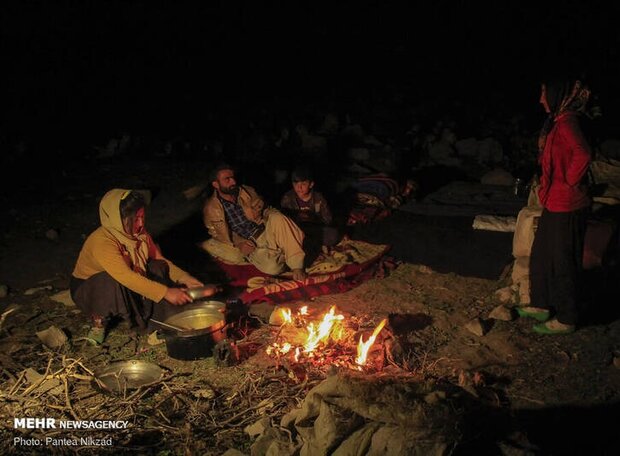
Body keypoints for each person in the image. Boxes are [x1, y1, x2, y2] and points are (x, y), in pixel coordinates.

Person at [71, 189, 218, 344]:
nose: (141, 223)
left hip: (126, 279)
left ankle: (157, 317)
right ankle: (99, 322)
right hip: (89, 290)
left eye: (142, 216)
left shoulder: (140, 234)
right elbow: (125, 277)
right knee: (111, 280)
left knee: (158, 266)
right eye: (134, 220)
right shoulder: (103, 241)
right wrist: (165, 292)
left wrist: (185, 278)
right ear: (117, 219)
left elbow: (161, 260)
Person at [516, 77, 593, 334]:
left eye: (543, 94)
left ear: (556, 95)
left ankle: (567, 317)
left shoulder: (568, 122)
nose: (540, 99)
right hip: (554, 201)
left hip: (568, 203)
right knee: (542, 254)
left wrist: (570, 181)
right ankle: (541, 303)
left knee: (563, 260)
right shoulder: (557, 122)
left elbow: (582, 153)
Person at [202, 163, 307, 281]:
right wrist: (239, 242)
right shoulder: (211, 208)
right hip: (250, 243)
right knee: (273, 268)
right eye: (227, 179)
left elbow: (265, 209)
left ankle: (297, 266)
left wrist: (271, 216)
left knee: (277, 217)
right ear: (216, 184)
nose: (233, 182)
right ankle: (288, 250)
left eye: (233, 177)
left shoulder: (246, 191)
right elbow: (218, 235)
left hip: (264, 229)